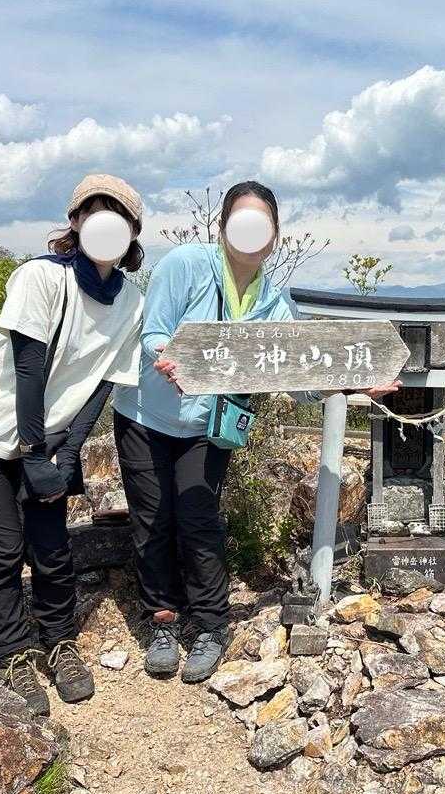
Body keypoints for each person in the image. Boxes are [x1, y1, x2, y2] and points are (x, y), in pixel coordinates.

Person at [113, 180, 399, 685]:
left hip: (206, 425)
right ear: (222, 227)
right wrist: (168, 358)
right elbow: (154, 331)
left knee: (198, 517)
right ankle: (162, 620)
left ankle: (210, 624)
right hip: (145, 414)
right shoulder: (185, 264)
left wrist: (353, 383)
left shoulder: (273, 303)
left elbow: (298, 378)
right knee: (152, 518)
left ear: (274, 236)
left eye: (261, 224)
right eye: (240, 221)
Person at [0, 174, 146, 716]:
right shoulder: (40, 277)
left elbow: (104, 384)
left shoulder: (132, 301)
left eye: (116, 213)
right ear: (75, 222)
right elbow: (30, 367)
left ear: (132, 231)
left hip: (45, 438)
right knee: (2, 548)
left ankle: (60, 642)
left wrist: (66, 456)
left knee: (50, 546)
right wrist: (32, 454)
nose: (103, 222)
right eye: (93, 210)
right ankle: (11, 655)